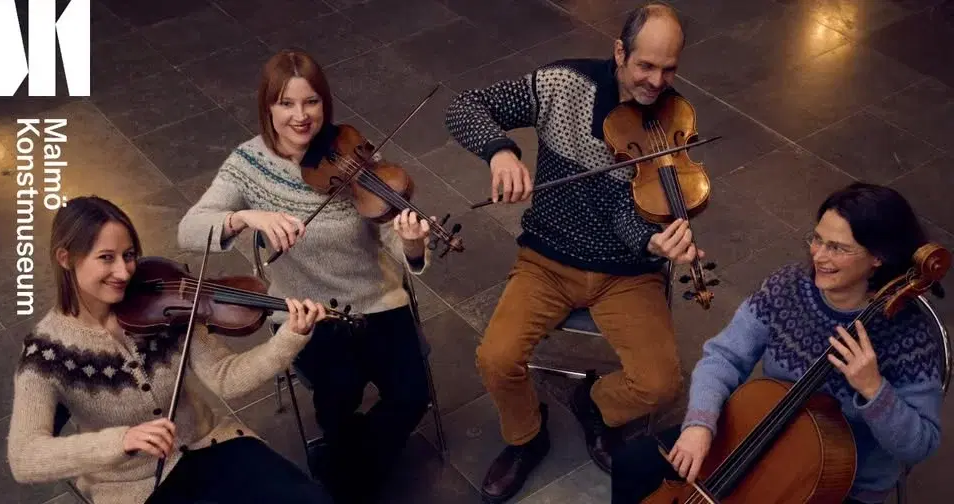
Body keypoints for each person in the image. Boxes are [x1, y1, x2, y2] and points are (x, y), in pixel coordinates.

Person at [444, 3, 700, 501]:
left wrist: (653, 239)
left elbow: (635, 209)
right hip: (548, 259)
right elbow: (464, 107)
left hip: (628, 272)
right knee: (496, 359)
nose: (656, 81)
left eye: (669, 69)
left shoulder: (673, 117)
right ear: (620, 52)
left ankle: (595, 403)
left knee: (660, 385)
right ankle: (527, 437)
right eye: (645, 65)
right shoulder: (562, 84)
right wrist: (500, 151)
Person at [177, 47, 435, 503]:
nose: (301, 117)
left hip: (376, 298)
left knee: (413, 395)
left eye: (311, 102)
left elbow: (391, 235)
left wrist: (412, 244)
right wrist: (245, 217)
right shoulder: (248, 165)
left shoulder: (352, 149)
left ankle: (346, 470)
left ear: (325, 103)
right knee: (338, 397)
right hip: (306, 311)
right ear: (268, 107)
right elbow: (188, 230)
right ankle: (349, 465)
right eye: (287, 104)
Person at [611, 182, 944, 504]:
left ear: (878, 257)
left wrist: (874, 389)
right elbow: (723, 357)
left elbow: (921, 444)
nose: (819, 256)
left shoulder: (908, 336)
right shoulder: (789, 287)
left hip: (839, 482)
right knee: (633, 463)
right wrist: (699, 424)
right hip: (757, 435)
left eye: (837, 248)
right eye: (817, 239)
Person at [7, 195, 334, 504]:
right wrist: (122, 441)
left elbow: (226, 378)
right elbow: (24, 458)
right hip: (132, 487)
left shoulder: (162, 300)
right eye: (106, 257)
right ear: (66, 258)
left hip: (208, 445)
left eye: (129, 255)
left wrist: (289, 337)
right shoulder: (46, 352)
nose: (124, 272)